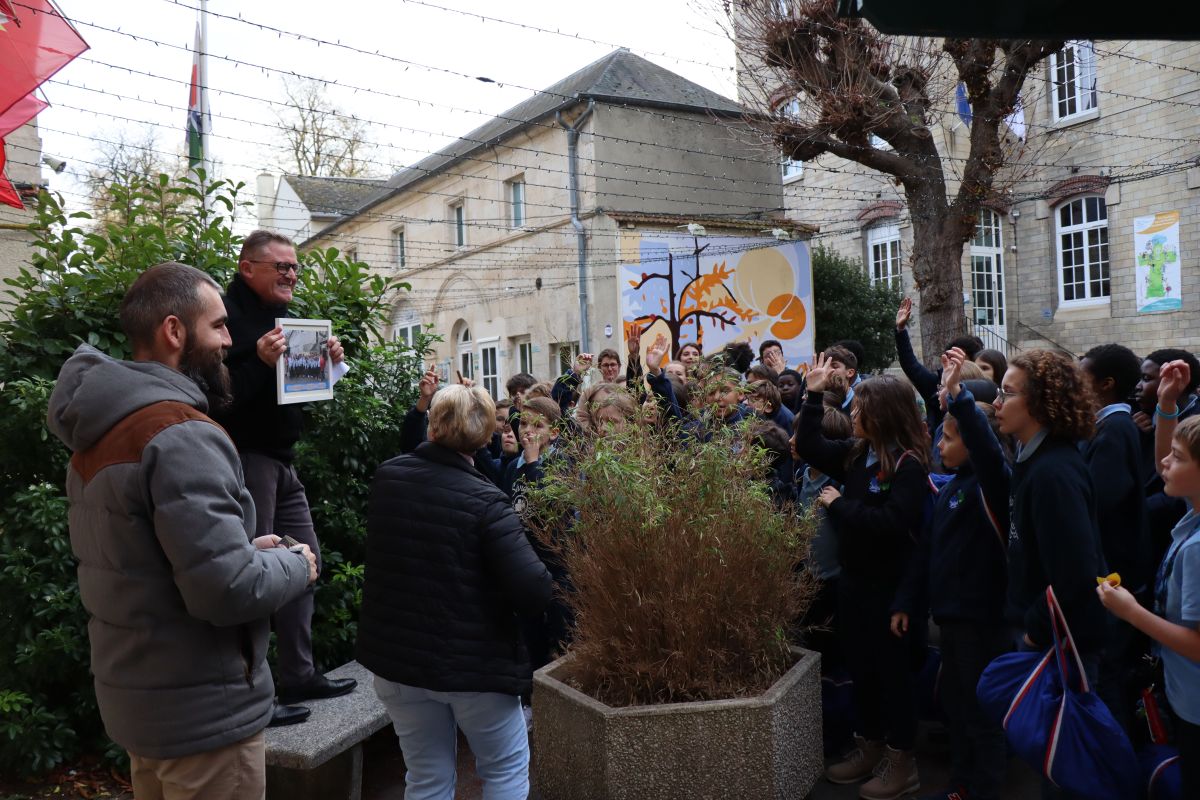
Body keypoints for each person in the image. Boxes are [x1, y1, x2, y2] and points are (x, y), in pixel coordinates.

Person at [47, 262, 317, 798]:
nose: (228, 339)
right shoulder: (180, 433)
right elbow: (227, 590)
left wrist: (241, 550)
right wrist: (295, 565)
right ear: (174, 331)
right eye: (218, 325)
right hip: (205, 718)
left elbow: (149, 563)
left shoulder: (100, 429)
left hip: (143, 709)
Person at [357, 384, 552, 800]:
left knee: (425, 776)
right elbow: (534, 589)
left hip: (399, 661)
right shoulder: (486, 501)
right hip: (476, 666)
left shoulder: (388, 478)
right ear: (485, 437)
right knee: (504, 772)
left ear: (433, 426)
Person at [215, 230, 357, 722]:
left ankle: (299, 675)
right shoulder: (223, 317)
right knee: (254, 578)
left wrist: (328, 365)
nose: (291, 275)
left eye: (294, 268)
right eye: (281, 267)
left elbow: (301, 392)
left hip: (282, 458)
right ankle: (256, 694)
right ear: (247, 266)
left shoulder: (284, 318)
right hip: (247, 459)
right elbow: (217, 398)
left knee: (305, 565)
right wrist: (257, 360)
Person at [798, 355, 932, 800]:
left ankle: (902, 762)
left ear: (883, 415)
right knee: (863, 672)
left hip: (891, 593)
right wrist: (813, 395)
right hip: (854, 586)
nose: (853, 415)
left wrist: (838, 505)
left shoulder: (908, 465)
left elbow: (893, 525)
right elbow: (811, 446)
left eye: (860, 410)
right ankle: (869, 747)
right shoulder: (859, 454)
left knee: (893, 679)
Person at [893, 348, 1011, 800]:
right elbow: (927, 552)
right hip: (952, 620)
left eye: (946, 438)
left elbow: (985, 449)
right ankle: (961, 784)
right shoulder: (952, 489)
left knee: (983, 717)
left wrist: (957, 395)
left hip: (983, 622)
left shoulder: (991, 484)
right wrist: (908, 601)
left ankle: (984, 788)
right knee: (960, 710)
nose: (939, 446)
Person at [995, 350, 1106, 799]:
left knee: (1065, 769)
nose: (998, 403)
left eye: (1008, 393)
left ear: (1040, 403)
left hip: (1063, 645)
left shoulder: (1053, 473)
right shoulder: (1034, 460)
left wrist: (1035, 634)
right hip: (1050, 638)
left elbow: (1076, 572)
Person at [1100, 368, 1200, 799]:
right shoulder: (1191, 514)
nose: (1163, 461)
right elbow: (1167, 464)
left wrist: (1131, 613)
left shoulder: (1198, 548)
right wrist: (1166, 406)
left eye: (1178, 457)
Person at [1079, 344, 1152, 733]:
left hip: (1115, 574)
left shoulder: (1114, 430)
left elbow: (1100, 500)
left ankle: (1114, 765)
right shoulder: (1107, 426)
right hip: (1112, 573)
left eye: (1083, 376)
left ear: (1106, 385)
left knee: (1107, 676)